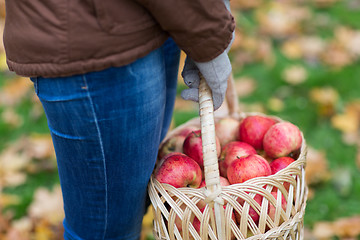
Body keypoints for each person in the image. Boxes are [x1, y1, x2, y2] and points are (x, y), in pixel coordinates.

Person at [3, 0, 235, 239]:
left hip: (152, 17)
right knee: (107, 231)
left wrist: (204, 18)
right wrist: (208, 31)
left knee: (128, 206)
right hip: (94, 35)